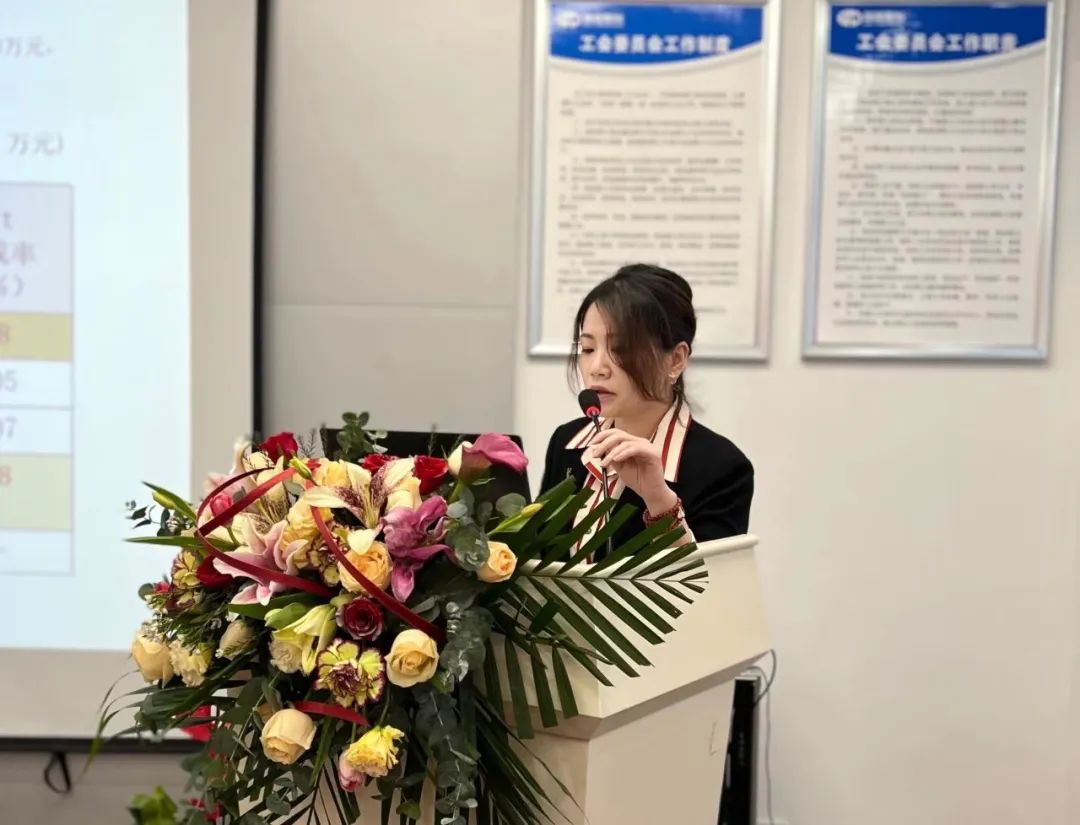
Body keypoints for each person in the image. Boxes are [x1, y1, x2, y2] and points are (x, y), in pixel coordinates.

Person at [539, 263, 753, 558]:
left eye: (621, 349)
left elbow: (710, 582)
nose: (597, 368)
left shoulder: (721, 467)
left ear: (675, 360)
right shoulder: (567, 442)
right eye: (588, 349)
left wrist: (659, 499)